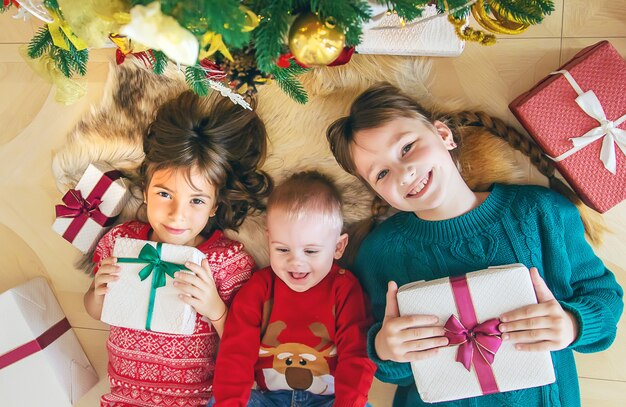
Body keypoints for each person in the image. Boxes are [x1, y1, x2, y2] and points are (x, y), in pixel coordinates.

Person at [325, 82, 624, 407]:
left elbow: (605, 298)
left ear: (443, 135)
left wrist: (572, 324)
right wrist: (385, 349)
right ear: (376, 190)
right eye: (381, 173)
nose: (403, 173)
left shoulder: (542, 212)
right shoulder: (378, 253)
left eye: (407, 147)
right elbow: (388, 365)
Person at [83, 91, 272, 407]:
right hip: (125, 398)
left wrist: (216, 309)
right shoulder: (120, 242)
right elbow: (96, 311)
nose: (177, 215)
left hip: (195, 400)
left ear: (214, 206)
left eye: (196, 200)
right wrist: (98, 292)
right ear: (145, 192)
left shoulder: (227, 261)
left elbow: (246, 346)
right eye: (164, 194)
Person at [211, 171, 376, 407]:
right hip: (268, 399)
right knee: (220, 400)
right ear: (269, 241)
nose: (296, 262)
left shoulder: (344, 289)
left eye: (310, 251)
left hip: (329, 400)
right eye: (282, 250)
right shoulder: (260, 287)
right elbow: (236, 352)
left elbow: (357, 354)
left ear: (338, 247)